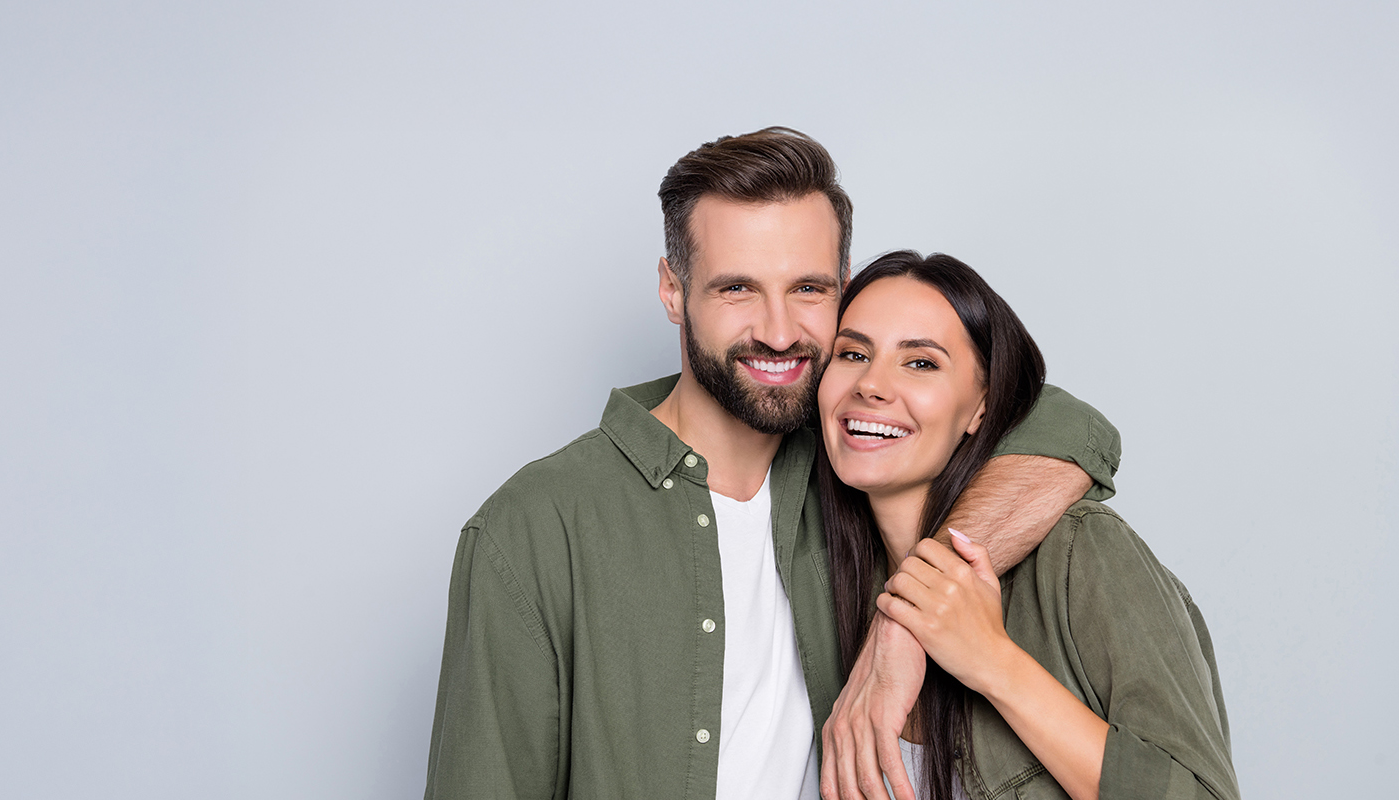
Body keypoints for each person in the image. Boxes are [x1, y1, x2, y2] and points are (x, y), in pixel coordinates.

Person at [423, 128, 1123, 800]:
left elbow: (1065, 424)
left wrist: (903, 625)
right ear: (673, 290)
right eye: (737, 289)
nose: (780, 331)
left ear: (844, 286)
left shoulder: (862, 464)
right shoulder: (537, 526)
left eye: (809, 289)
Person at [815, 251, 1238, 800]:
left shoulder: (1081, 552)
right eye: (851, 353)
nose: (871, 385)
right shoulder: (810, 562)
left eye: (921, 362)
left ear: (980, 409)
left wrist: (990, 659)